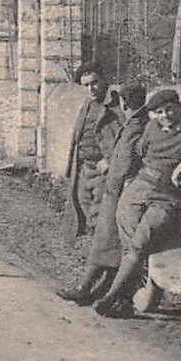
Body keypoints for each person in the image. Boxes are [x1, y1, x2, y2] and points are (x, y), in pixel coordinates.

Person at [92, 88, 181, 319]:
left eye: (169, 109)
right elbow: (139, 152)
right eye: (158, 112)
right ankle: (130, 294)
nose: (165, 115)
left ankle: (114, 296)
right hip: (141, 184)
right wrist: (131, 182)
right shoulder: (151, 128)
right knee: (126, 228)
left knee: (140, 242)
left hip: (169, 194)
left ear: (179, 106)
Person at [57, 82, 148, 305]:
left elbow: (130, 158)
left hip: (120, 190)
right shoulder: (134, 124)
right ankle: (95, 288)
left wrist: (119, 176)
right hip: (113, 187)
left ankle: (90, 290)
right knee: (103, 239)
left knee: (105, 241)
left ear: (124, 104)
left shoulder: (136, 126)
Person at [63, 62, 120, 244]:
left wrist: (110, 160)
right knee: (83, 209)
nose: (91, 88)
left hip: (102, 172)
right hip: (83, 170)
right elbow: (77, 136)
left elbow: (127, 138)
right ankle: (93, 254)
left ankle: (101, 262)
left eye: (94, 82)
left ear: (104, 80)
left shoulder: (115, 106)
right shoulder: (87, 105)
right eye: (86, 85)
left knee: (100, 216)